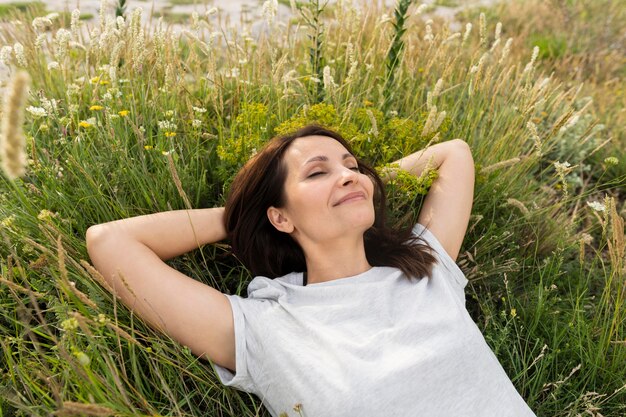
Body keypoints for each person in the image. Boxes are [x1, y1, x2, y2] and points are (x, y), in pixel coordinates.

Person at [86, 124, 536, 416]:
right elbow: (110, 242)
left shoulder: (425, 267)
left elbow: (453, 154)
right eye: (317, 172)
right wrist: (245, 216)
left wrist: (362, 185)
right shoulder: (267, 326)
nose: (346, 175)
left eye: (352, 165)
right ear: (281, 218)